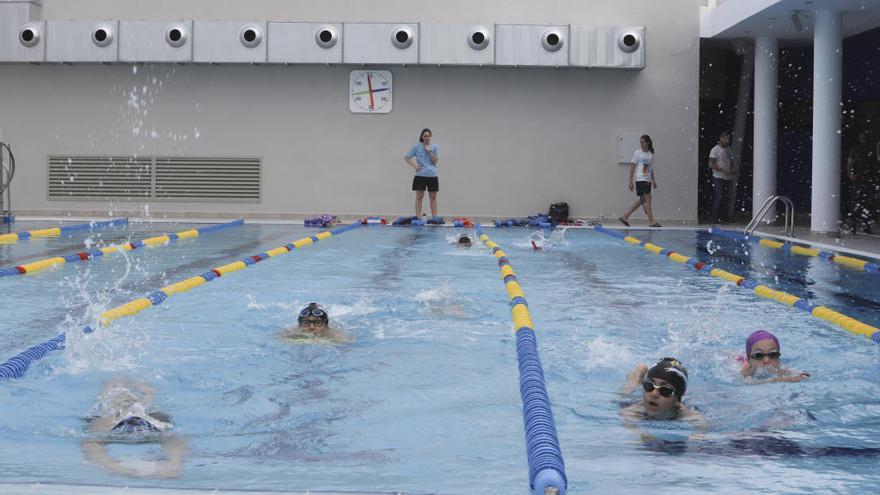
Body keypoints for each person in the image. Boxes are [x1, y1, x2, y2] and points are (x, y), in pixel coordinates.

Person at [81, 378, 187, 478]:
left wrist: (175, 462)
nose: (126, 398)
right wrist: (112, 466)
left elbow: (90, 443)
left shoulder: (154, 417)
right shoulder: (105, 420)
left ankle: (126, 386)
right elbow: (90, 443)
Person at [619, 357, 707, 442]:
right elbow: (626, 417)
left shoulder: (685, 413)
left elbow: (702, 426)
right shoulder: (636, 409)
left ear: (678, 400)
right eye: (649, 385)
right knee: (625, 394)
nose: (654, 394)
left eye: (665, 390)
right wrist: (640, 434)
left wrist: (696, 437)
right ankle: (639, 372)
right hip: (633, 401)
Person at [618, 135, 660, 228]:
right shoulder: (637, 153)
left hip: (647, 180)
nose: (641, 144)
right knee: (648, 199)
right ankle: (651, 222)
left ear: (648, 142)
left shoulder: (650, 154)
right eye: (640, 142)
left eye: (643, 142)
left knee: (643, 200)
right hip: (641, 179)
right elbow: (632, 167)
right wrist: (630, 181)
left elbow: (651, 169)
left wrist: (653, 181)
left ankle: (625, 216)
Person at [740, 330, 810, 383]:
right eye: (758, 355)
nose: (766, 360)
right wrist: (778, 380)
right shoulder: (745, 371)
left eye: (773, 354)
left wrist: (801, 375)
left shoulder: (779, 367)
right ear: (749, 359)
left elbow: (803, 375)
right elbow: (749, 383)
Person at [845, 132, 879, 234]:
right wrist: (851, 174)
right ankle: (853, 226)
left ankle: (865, 225)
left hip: (868, 179)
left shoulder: (871, 150)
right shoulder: (856, 150)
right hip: (859, 179)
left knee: (866, 203)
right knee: (857, 202)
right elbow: (850, 163)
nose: (864, 140)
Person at [404, 128, 440, 221]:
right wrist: (414, 165)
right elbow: (407, 157)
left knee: (433, 198)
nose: (426, 138)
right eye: (425, 136)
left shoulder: (435, 147)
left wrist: (429, 151)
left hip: (432, 175)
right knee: (419, 197)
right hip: (420, 175)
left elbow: (435, 161)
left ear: (430, 136)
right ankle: (418, 217)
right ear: (422, 137)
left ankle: (435, 217)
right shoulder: (417, 146)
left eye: (428, 136)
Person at [281, 302, 349, 344]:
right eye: (306, 322)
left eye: (317, 322)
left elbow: (347, 343)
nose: (311, 327)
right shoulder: (291, 332)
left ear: (325, 325)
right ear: (299, 325)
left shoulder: (334, 334)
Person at [708, 130, 735, 223]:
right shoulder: (715, 150)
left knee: (728, 198)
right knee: (718, 197)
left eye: (729, 138)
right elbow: (711, 164)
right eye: (726, 138)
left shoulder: (729, 150)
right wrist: (723, 170)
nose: (728, 140)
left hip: (728, 178)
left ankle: (725, 217)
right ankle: (715, 218)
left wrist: (731, 170)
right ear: (721, 138)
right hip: (718, 177)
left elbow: (731, 162)